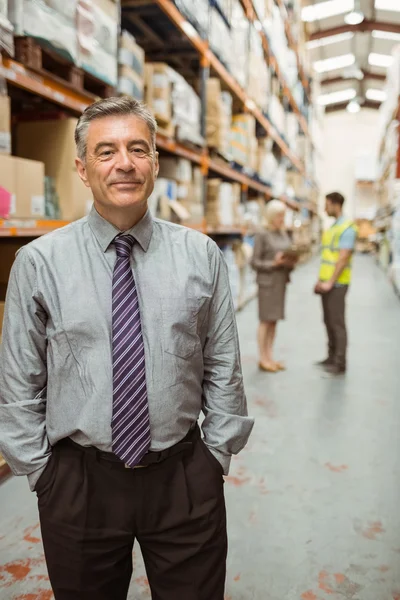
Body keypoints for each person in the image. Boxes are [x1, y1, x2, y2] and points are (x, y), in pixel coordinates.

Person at [0, 97, 254, 600]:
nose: (124, 163)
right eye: (106, 151)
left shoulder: (200, 255)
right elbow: (19, 381)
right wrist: (42, 473)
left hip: (183, 476)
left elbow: (223, 364)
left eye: (138, 149)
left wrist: (214, 457)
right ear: (81, 167)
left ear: (155, 163)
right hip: (79, 482)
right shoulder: (40, 262)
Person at [314, 191, 358, 375]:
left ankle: (340, 363)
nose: (325, 208)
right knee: (328, 320)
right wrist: (320, 280)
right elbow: (327, 258)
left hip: (337, 284)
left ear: (335, 204)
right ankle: (331, 356)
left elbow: (342, 259)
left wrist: (330, 282)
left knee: (337, 322)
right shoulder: (333, 227)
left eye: (327, 204)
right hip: (326, 283)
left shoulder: (347, 228)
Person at [251, 199, 296, 373]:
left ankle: (270, 356)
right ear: (270, 216)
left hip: (280, 282)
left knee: (274, 321)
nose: (282, 219)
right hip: (267, 283)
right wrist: (274, 264)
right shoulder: (262, 234)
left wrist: (291, 260)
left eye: (283, 215)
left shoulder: (283, 233)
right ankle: (263, 358)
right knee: (265, 321)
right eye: (279, 216)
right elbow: (254, 262)